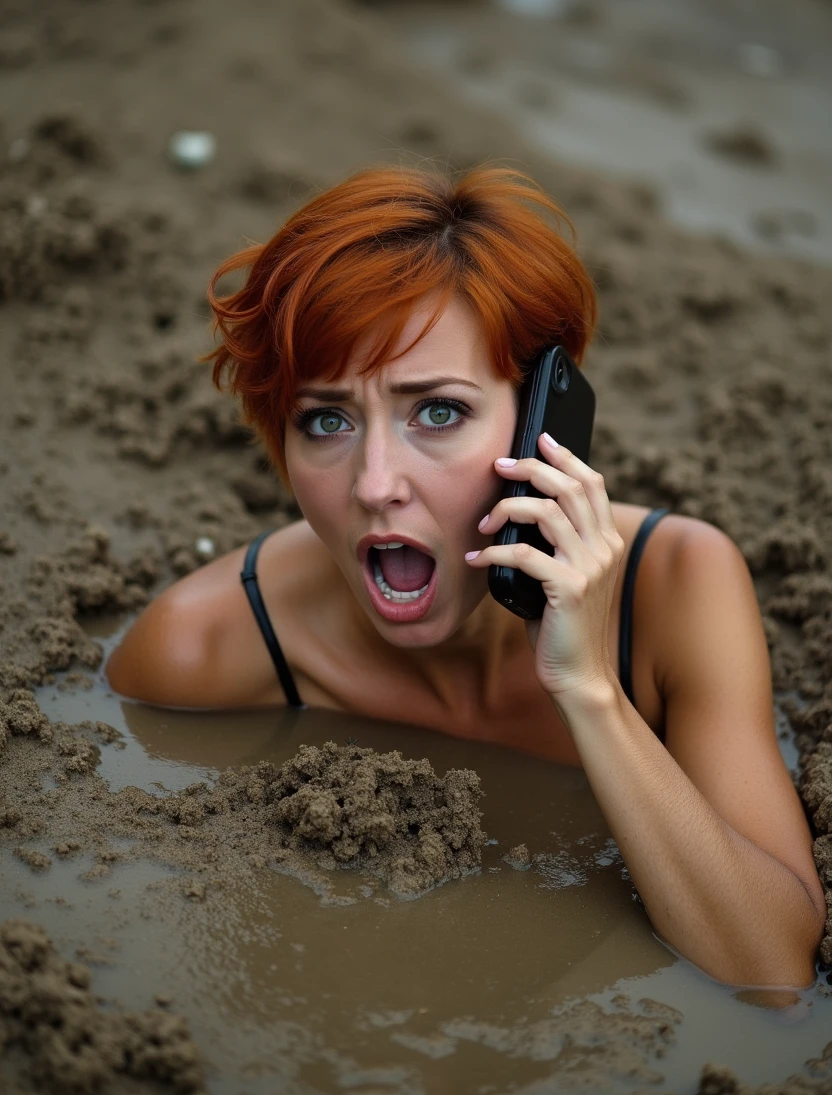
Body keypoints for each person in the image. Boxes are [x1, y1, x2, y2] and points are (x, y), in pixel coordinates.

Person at [106, 164, 824, 988]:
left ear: (542, 422)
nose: (375, 482)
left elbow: (772, 969)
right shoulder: (198, 649)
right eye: (327, 420)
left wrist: (590, 689)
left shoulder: (679, 584)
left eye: (437, 411)